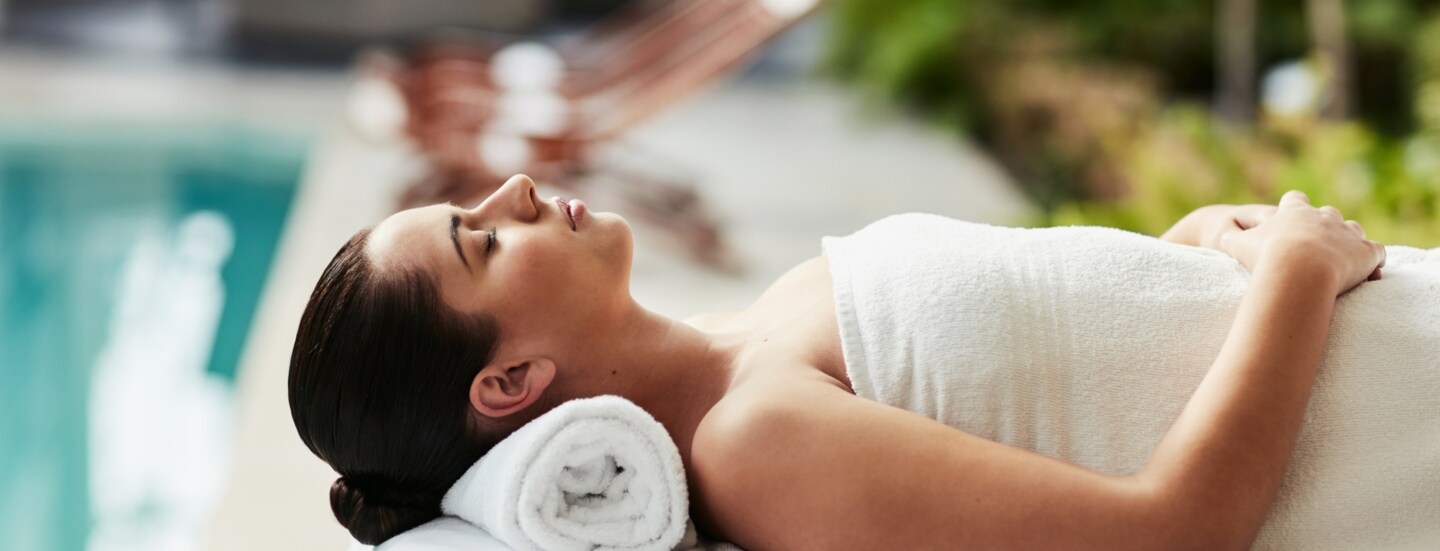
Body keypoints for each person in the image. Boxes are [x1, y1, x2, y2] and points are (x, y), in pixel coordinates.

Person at [289, 173, 1392, 548]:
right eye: (480, 240)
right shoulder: (756, 442)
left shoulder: (763, 325)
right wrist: (1292, 273)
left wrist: (1193, 244)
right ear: (509, 383)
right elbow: (1169, 533)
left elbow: (1056, 367)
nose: (513, 192)